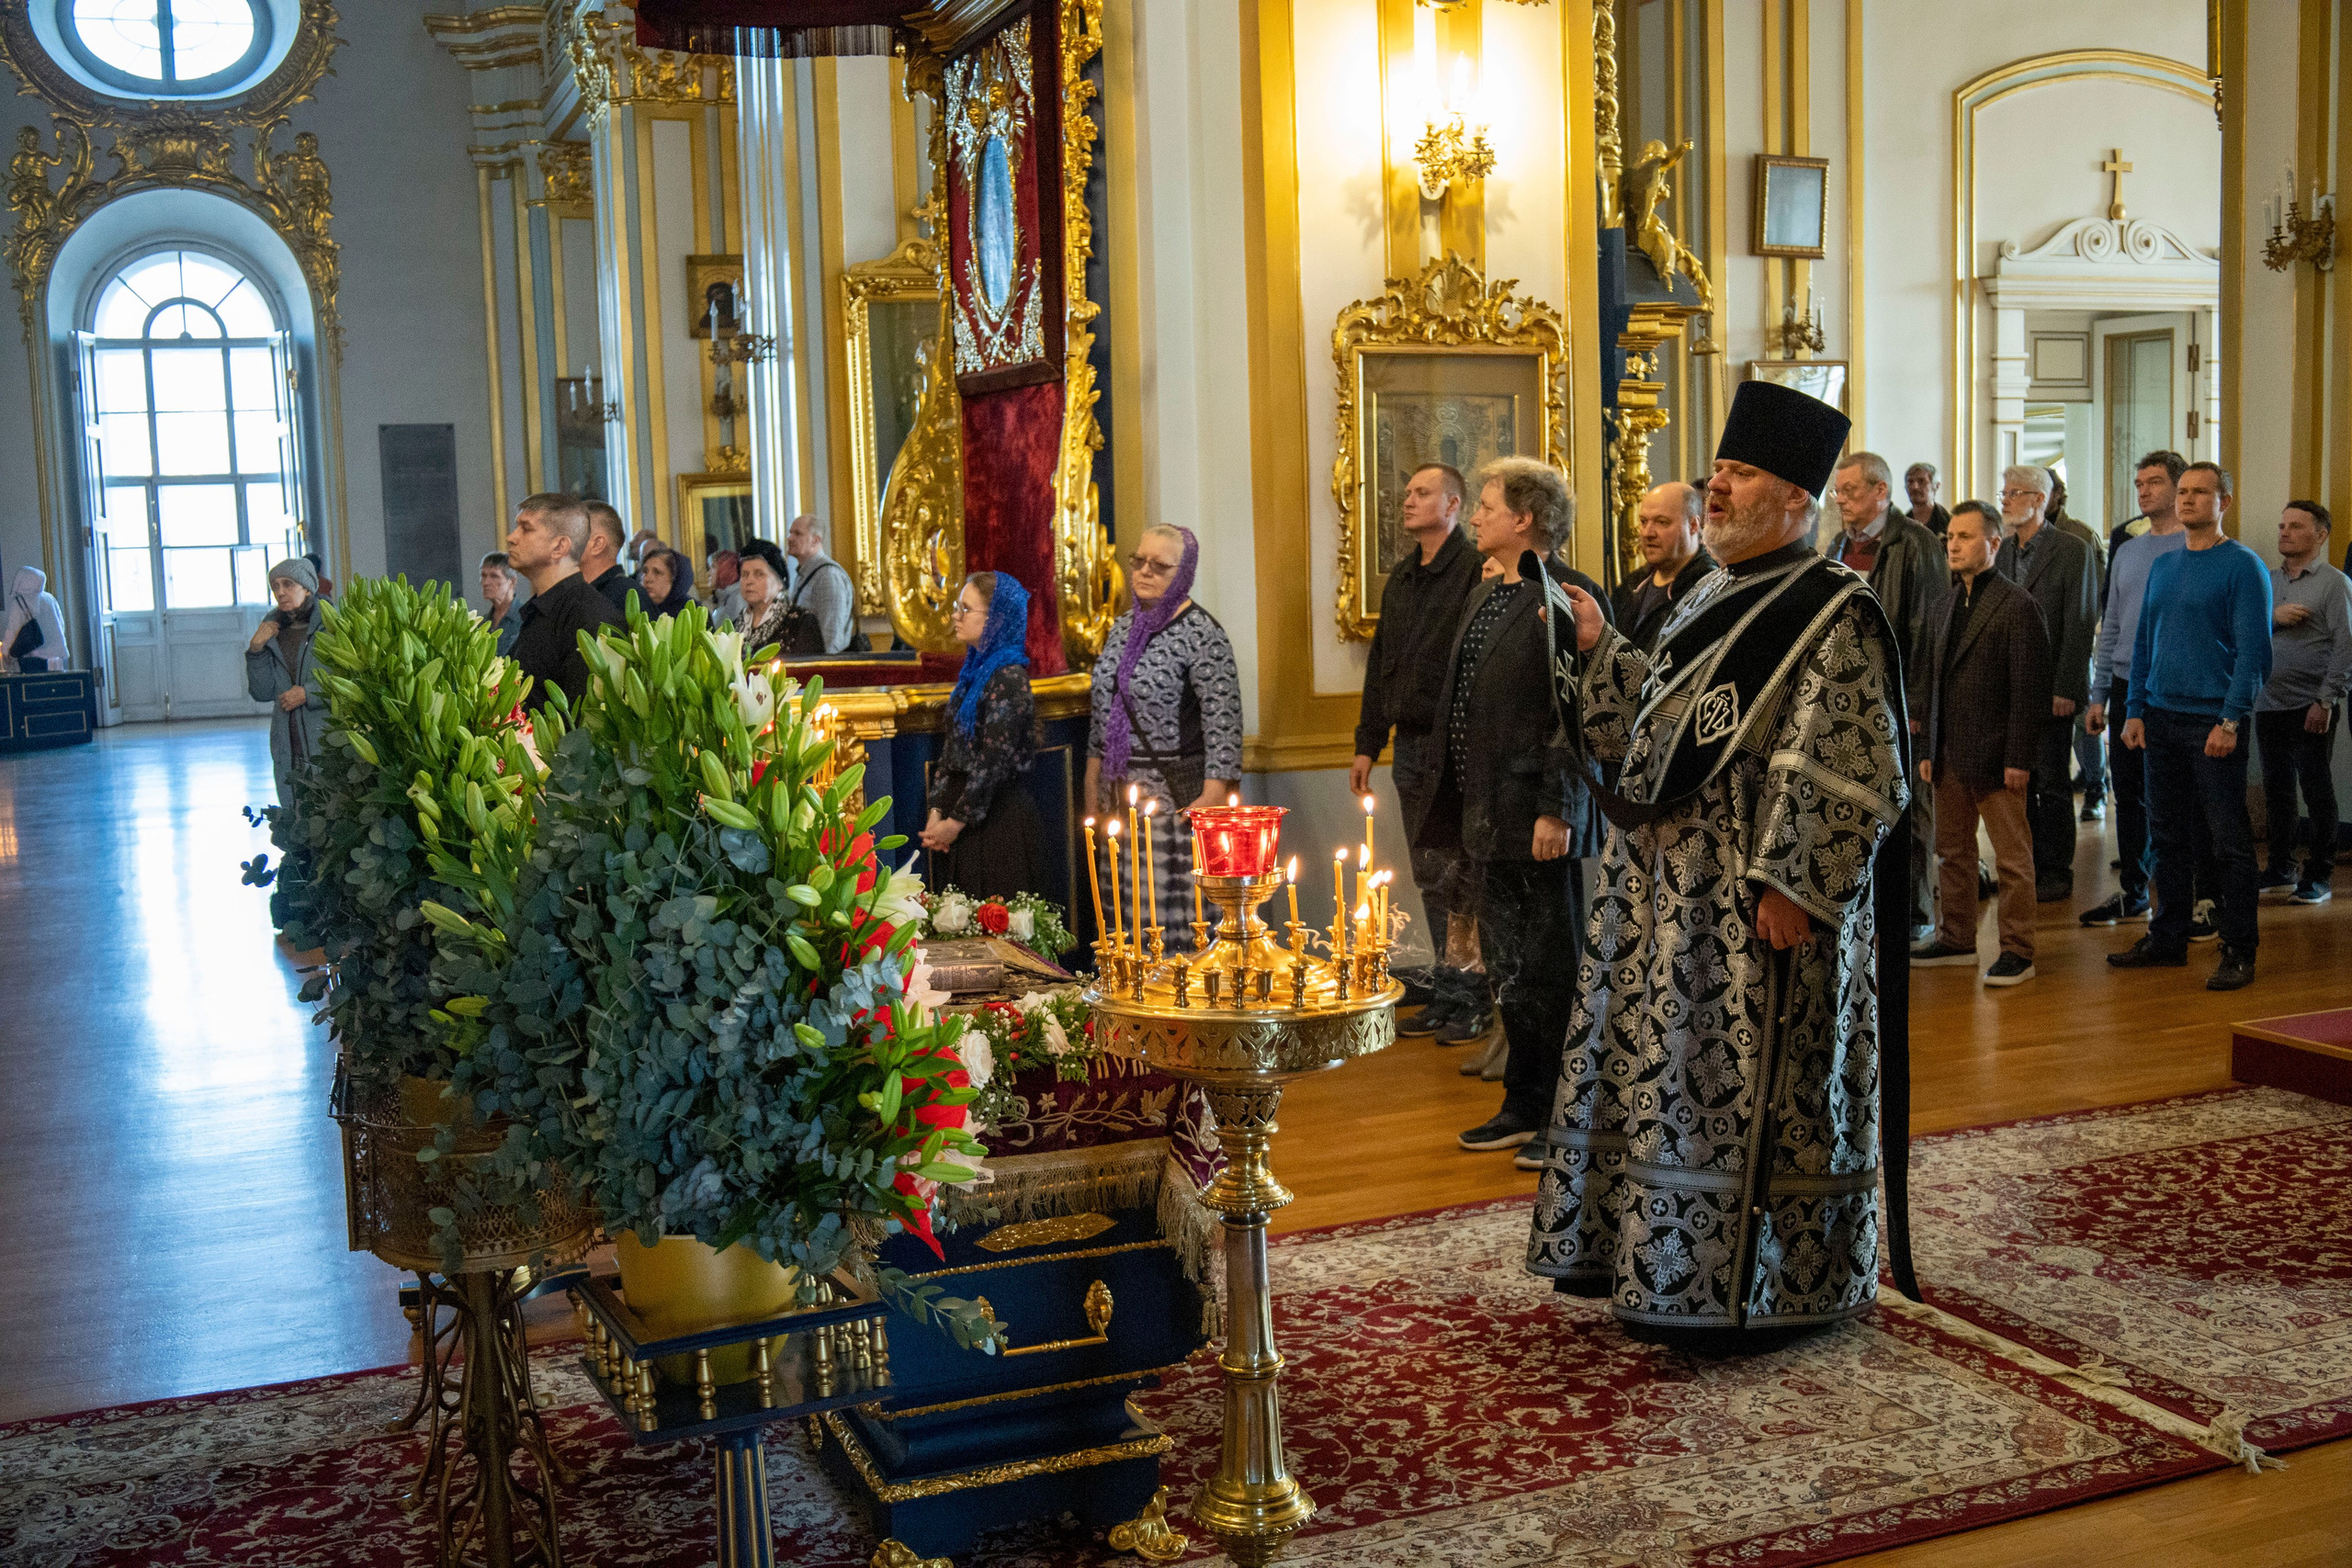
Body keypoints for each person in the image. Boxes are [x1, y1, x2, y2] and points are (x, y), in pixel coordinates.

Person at [1528, 379, 1909, 1346]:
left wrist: (1795, 884)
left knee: (1745, 1088)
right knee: (1660, 1077)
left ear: (1794, 497)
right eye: (1719, 473)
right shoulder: (1709, 591)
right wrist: (1597, 649)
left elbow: (1844, 756)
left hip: (1748, 905)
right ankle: (1652, 1265)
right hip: (1660, 899)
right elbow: (1652, 730)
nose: (1718, 488)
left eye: (1737, 474)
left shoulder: (1834, 610)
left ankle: (1760, 1292)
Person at [1419, 457, 1608, 1157]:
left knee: (1549, 968)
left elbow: (1577, 712)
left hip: (1536, 816)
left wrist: (1557, 809)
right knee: (1508, 969)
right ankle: (1522, 1103)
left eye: (1488, 504)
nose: (1476, 515)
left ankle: (1564, 1112)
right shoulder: (1485, 592)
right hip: (1485, 812)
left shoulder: (1567, 593)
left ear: (1525, 518)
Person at [2111, 463, 2272, 992]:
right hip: (2159, 716)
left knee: (2228, 843)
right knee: (2168, 836)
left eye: (2200, 492)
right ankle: (2168, 938)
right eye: (2183, 492)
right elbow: (2142, 644)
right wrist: (2134, 707)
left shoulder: (2243, 566)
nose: (2187, 500)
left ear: (2224, 501)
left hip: (2213, 721)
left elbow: (2254, 655)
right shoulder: (2163, 565)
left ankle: (2239, 948)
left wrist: (2230, 719)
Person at [1350, 462, 1486, 1041]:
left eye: (1422, 492)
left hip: (1453, 747)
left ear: (1453, 505)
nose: (1407, 500)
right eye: (1406, 492)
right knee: (1430, 875)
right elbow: (1383, 666)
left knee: (1464, 878)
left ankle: (1473, 999)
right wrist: (1366, 744)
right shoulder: (1403, 577)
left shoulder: (1474, 570)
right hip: (1409, 750)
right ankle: (1447, 991)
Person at [1911, 502, 2052, 987]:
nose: (1952, 544)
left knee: (2012, 860)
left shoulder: (2018, 605)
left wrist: (2018, 758)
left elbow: (2029, 690)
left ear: (1994, 544)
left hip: (1997, 757)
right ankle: (1957, 938)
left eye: (1965, 537)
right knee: (1951, 852)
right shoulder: (1946, 603)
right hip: (1949, 754)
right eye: (1950, 536)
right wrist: (1929, 748)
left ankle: (2018, 950)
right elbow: (1933, 682)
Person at [1086, 524, 1244, 943]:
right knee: (1122, 925)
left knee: (1170, 927)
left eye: (1160, 566)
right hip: (1117, 800)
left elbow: (1224, 729)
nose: (1144, 572)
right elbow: (1100, 715)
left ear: (1185, 572)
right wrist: (1092, 791)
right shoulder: (1121, 629)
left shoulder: (1202, 634)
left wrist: (1207, 807)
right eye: (1139, 561)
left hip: (1173, 807)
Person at [1828, 450, 1947, 938]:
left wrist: (1917, 704)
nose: (1841, 500)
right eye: (1837, 491)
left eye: (1851, 491)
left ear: (1881, 492)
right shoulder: (1837, 543)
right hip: (1850, 698)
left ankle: (1915, 910)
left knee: (1911, 811)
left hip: (1901, 700)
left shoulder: (1915, 544)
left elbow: (1930, 630)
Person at [2082, 451, 2190, 927]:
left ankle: (2183, 897)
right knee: (2128, 794)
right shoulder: (2127, 550)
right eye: (2139, 482)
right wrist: (2099, 694)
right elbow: (2112, 627)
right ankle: (2133, 891)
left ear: (2180, 488)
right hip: (2127, 684)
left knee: (2175, 797)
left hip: (2173, 686)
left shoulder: (2195, 548)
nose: (2143, 491)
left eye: (2155, 482)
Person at [1994, 465, 2098, 903]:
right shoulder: (2000, 551)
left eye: (2014, 493)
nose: (2005, 500)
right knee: (2017, 782)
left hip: (2051, 684)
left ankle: (2057, 870)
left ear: (2039, 499)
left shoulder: (2072, 549)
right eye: (2003, 493)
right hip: (2006, 686)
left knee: (2052, 782)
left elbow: (2080, 620)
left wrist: (2067, 688)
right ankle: (2026, 866)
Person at [921, 572, 1043, 904]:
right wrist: (936, 812)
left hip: (998, 821)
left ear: (996, 619)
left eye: (965, 608)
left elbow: (993, 762)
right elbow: (952, 748)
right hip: (965, 817)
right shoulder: (974, 672)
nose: (955, 616)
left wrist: (955, 822)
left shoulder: (1009, 677)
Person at [2254, 500, 2350, 906]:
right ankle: (2281, 868)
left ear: (2320, 535)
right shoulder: (2265, 580)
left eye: (2295, 526)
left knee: (2316, 791)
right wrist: (2272, 618)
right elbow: (2243, 629)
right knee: (2277, 791)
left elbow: (2346, 647)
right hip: (2267, 702)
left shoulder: (2334, 583)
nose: (2284, 532)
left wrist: (2324, 701)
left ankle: (2319, 875)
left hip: (2309, 704)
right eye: (2281, 525)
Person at [505, 491, 625, 712]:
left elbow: (586, 723)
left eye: (526, 528)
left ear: (560, 546)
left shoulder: (589, 615)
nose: (511, 537)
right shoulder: (539, 609)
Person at [2047, 473, 2109, 821]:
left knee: (2085, 720)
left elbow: (2094, 597)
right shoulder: (2015, 538)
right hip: (2039, 649)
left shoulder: (2080, 536)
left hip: (2075, 644)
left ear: (2056, 494)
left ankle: (2096, 788)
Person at [243, 558, 328, 807]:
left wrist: (309, 694)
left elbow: (352, 683)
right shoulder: (272, 630)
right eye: (275, 586)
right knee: (295, 817)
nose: (280, 592)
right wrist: (256, 649)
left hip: (326, 739)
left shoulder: (333, 626)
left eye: (288, 584)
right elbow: (262, 692)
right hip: (288, 742)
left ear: (308, 587)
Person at [1607, 479, 1713, 649]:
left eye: (1662, 522)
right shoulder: (1631, 586)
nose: (1648, 533)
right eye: (1643, 522)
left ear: (1693, 525)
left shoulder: (1709, 588)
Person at [784, 513, 857, 654]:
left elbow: (831, 638)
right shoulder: (803, 574)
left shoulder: (829, 576)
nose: (790, 538)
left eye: (798, 534)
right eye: (790, 533)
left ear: (815, 540)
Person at [4, 564, 69, 671]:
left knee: (33, 687)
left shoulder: (21, 601)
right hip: (56, 655)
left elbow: (13, 628)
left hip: (33, 656)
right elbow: (60, 623)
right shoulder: (49, 598)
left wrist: (6, 651)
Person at [734, 538, 795, 654]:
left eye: (759, 574)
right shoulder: (734, 627)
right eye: (744, 574)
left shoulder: (800, 623)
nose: (749, 581)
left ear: (780, 583)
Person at [582, 500, 639, 615]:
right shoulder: (582, 593)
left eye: (573, 532)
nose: (562, 542)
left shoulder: (625, 596)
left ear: (597, 544)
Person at [479, 551, 523, 655]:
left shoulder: (526, 619)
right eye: (483, 575)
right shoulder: (482, 623)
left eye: (494, 576)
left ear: (512, 582)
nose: (486, 583)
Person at [635, 546, 695, 620]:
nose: (647, 579)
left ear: (675, 579)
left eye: (657, 572)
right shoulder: (636, 612)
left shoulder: (694, 613)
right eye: (645, 571)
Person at [1904, 462, 1951, 536]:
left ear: (1936, 486)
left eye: (1921, 481)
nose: (1915, 487)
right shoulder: (1899, 526)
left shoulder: (1949, 524)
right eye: (1910, 482)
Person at [707, 549, 746, 628]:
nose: (709, 573)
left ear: (726, 569)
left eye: (713, 567)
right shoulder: (726, 596)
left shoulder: (737, 598)